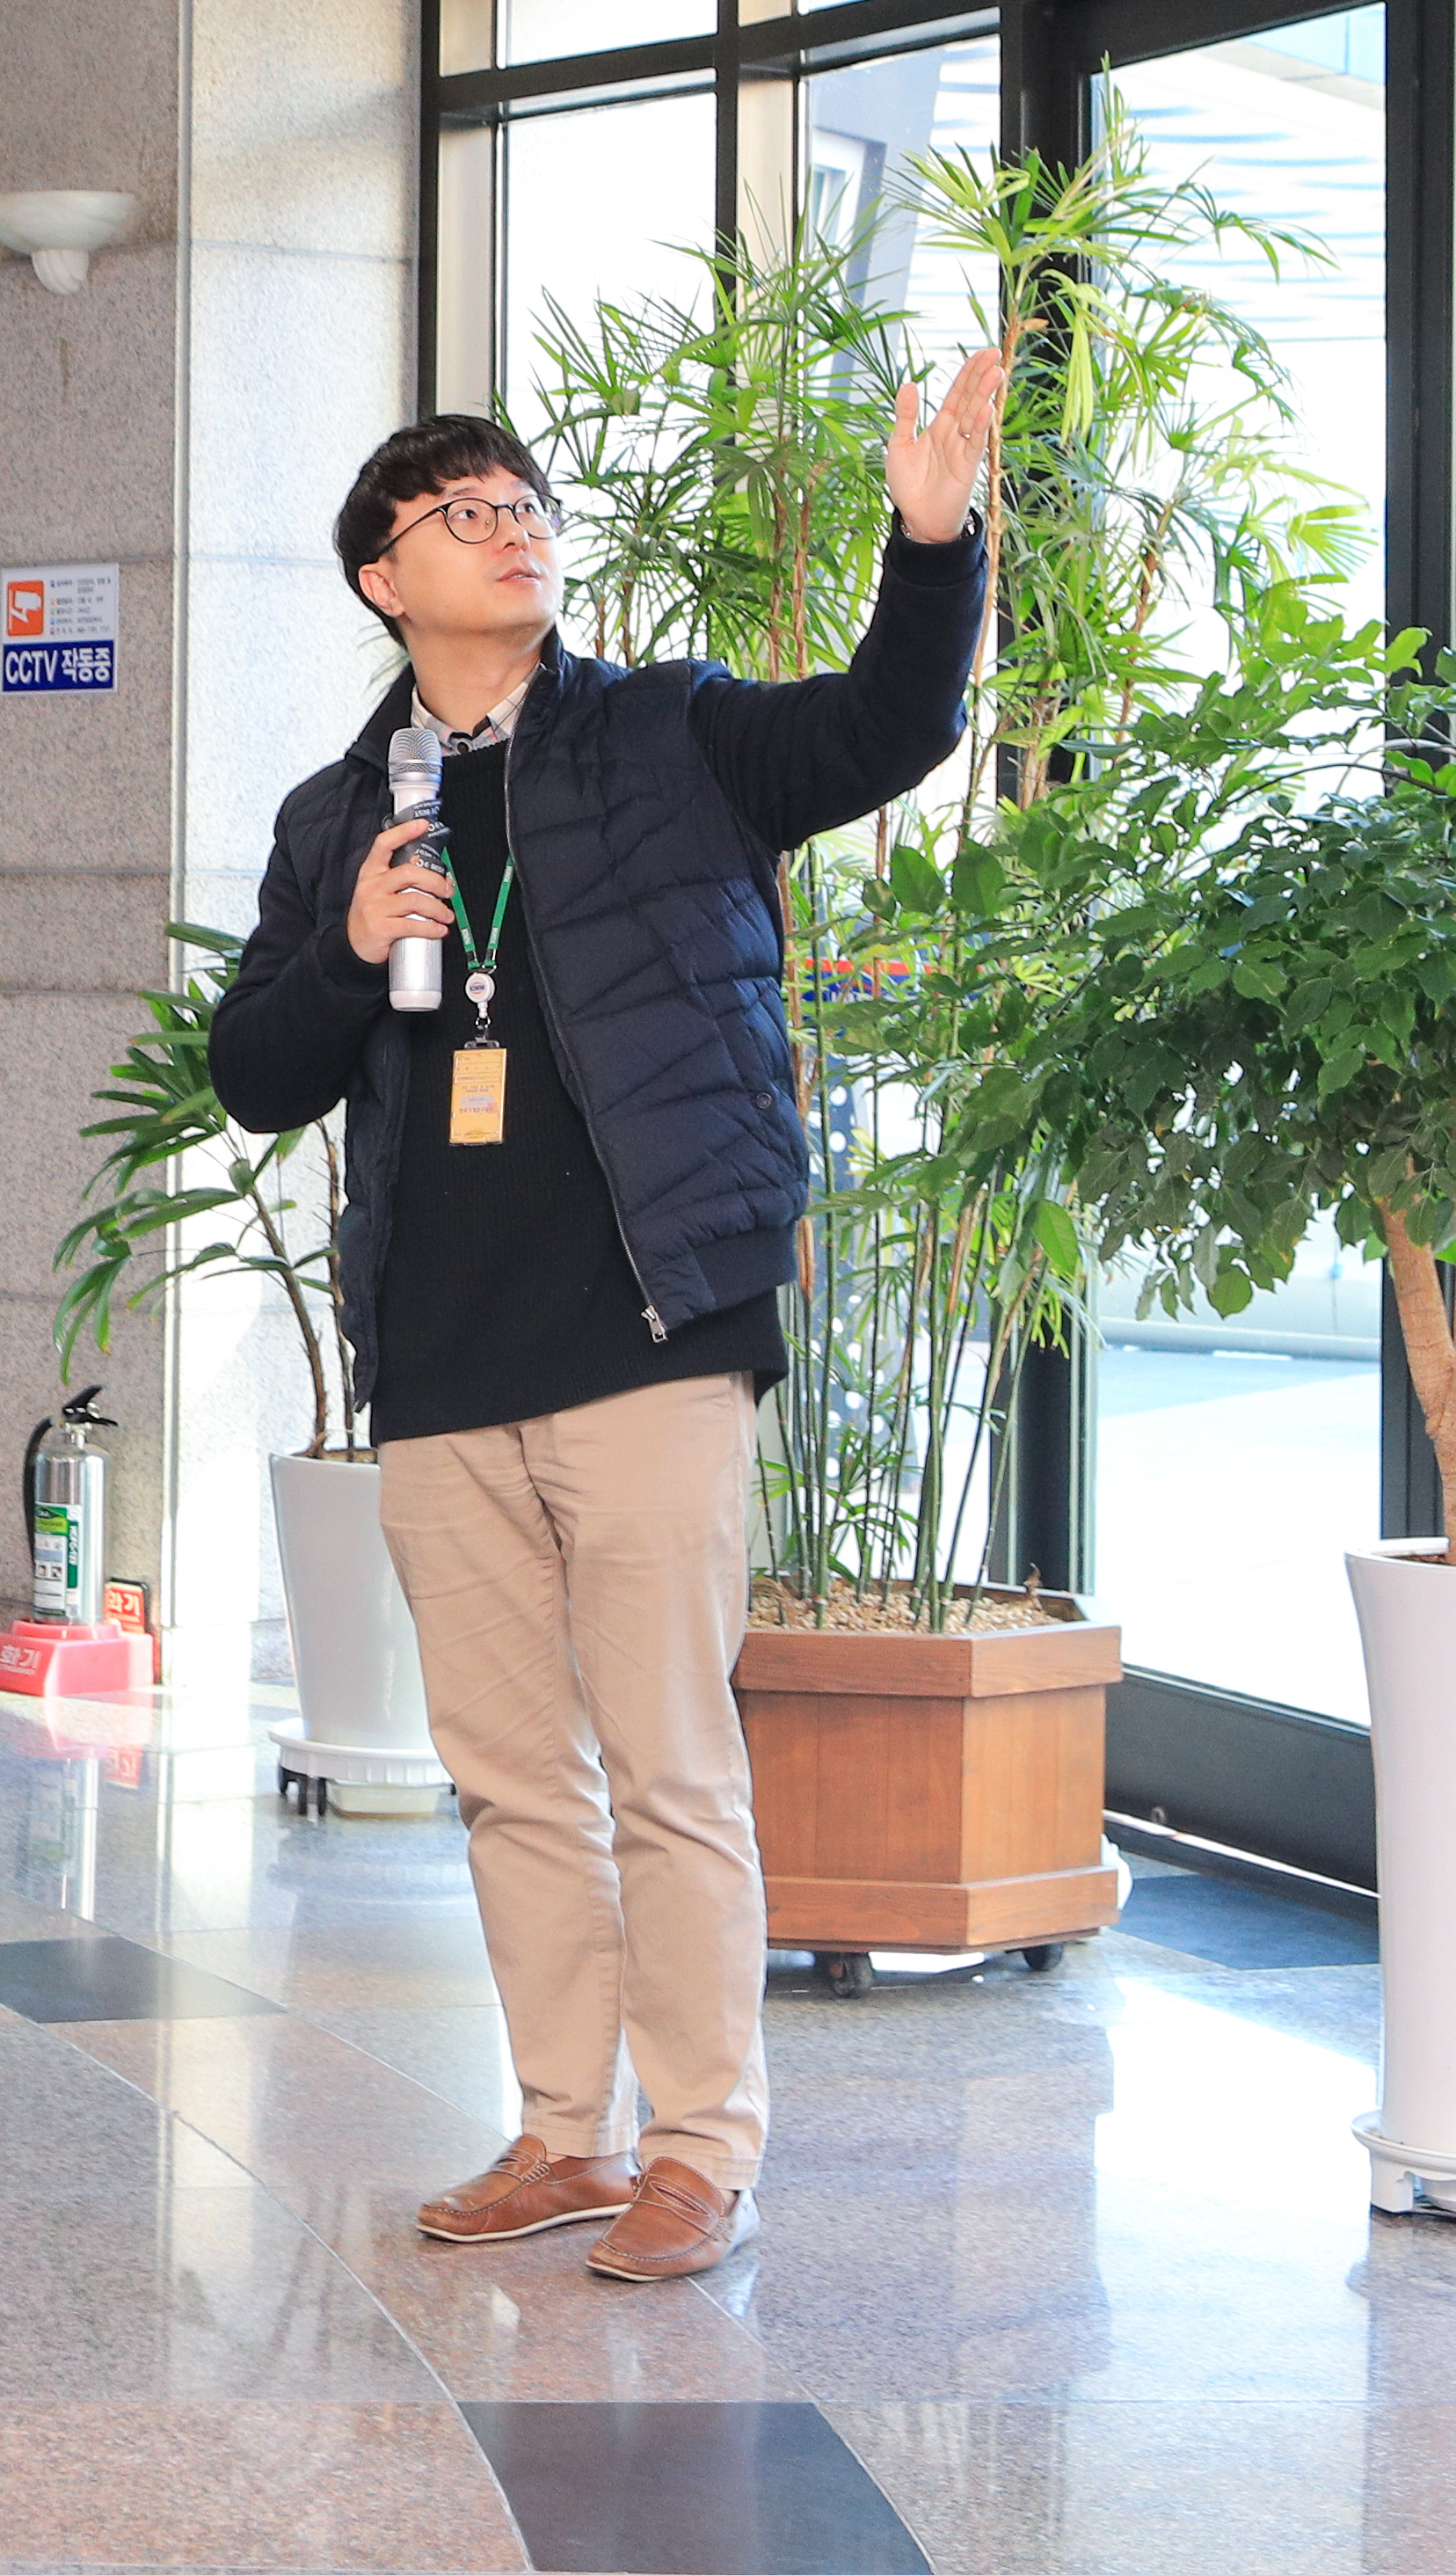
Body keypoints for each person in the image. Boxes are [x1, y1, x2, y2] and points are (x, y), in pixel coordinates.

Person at [204, 383, 999, 2282]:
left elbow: (886, 726)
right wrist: (343, 940)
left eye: (523, 501)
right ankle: (566, 2129)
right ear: (383, 577)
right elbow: (253, 1071)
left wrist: (933, 542)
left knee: (665, 1759)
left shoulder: (666, 730)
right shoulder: (342, 818)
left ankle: (701, 2149)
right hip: (443, 1354)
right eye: (462, 511)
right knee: (507, 1775)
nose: (513, 525)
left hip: (651, 1325)